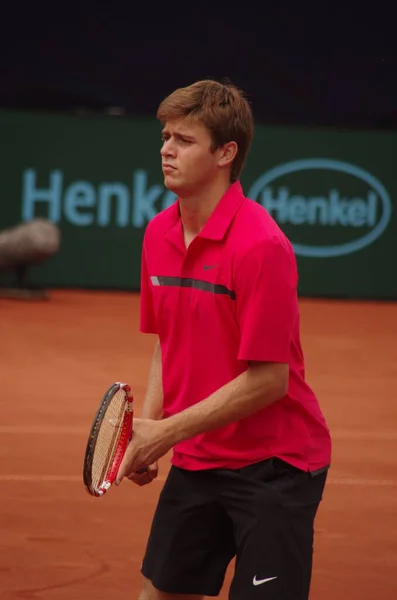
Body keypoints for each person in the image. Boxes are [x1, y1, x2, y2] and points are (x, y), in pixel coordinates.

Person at [116, 79, 332, 600]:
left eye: (184, 140)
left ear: (225, 153)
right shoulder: (157, 235)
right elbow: (169, 341)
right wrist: (151, 426)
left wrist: (165, 433)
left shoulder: (261, 246)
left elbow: (269, 381)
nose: (166, 149)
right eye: (166, 136)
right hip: (199, 459)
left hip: (275, 468)